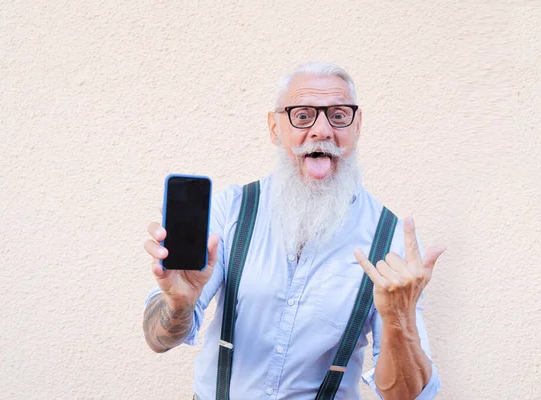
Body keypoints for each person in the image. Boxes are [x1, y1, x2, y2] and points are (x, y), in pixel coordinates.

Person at [143, 62, 446, 400]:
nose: (321, 130)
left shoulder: (389, 239)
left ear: (357, 126)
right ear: (275, 128)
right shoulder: (231, 210)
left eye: (338, 116)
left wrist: (398, 320)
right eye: (302, 116)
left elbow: (407, 396)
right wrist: (179, 303)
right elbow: (158, 340)